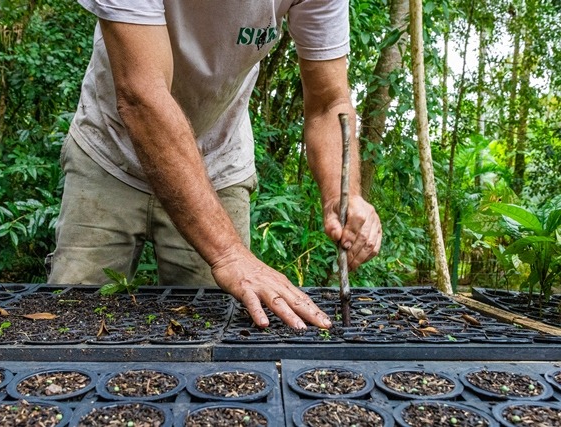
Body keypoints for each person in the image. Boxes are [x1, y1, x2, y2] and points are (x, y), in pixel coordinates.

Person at [48, 0, 382, 330]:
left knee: (217, 330)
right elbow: (141, 97)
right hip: (109, 153)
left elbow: (329, 102)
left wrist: (343, 195)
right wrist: (228, 253)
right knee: (71, 320)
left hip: (217, 166)